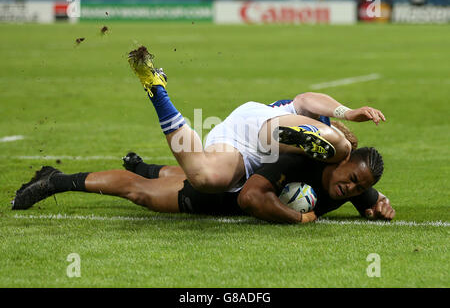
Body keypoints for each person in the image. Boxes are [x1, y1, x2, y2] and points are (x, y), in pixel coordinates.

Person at [126, 46, 386, 194]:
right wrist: (346, 113)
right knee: (340, 147)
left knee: (206, 178)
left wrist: (376, 199)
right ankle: (302, 137)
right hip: (266, 123)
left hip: (238, 144)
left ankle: (156, 88)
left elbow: (360, 185)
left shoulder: (337, 177)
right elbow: (306, 99)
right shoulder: (328, 135)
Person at [11, 146, 395, 224]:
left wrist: (377, 207)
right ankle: (56, 181)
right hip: (219, 194)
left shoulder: (358, 186)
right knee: (139, 193)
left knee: (161, 176)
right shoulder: (300, 160)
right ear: (342, 160)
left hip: (225, 184)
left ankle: (142, 164)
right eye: (352, 178)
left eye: (359, 186)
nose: (351, 188)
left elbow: (371, 199)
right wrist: (295, 220)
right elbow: (250, 198)